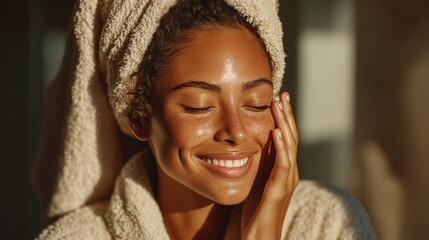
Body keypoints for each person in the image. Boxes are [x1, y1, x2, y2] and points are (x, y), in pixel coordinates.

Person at [33, 0, 376, 239]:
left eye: (256, 103)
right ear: (139, 116)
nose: (236, 131)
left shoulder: (330, 225)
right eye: (199, 106)